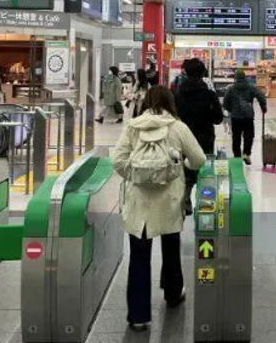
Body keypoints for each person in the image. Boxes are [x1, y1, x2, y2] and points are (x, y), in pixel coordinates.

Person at [112, 86, 206, 333]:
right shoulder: (177, 127)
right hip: (169, 201)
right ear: (170, 101)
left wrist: (136, 176)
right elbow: (198, 159)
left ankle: (138, 316)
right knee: (171, 248)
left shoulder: (133, 126)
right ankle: (173, 294)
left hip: (139, 203)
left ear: (147, 102)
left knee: (139, 257)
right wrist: (180, 165)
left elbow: (118, 161)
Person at [175, 58, 224, 214]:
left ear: (185, 73)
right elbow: (218, 118)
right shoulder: (209, 95)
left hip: (183, 137)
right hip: (205, 137)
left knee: (185, 169)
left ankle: (185, 197)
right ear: (203, 73)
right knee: (205, 170)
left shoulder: (177, 94)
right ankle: (205, 207)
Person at [223, 69, 267, 165]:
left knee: (236, 136)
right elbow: (260, 95)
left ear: (235, 78)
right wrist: (263, 106)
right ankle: (246, 153)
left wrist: (230, 109)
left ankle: (237, 155)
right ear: (244, 77)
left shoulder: (231, 88)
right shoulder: (250, 87)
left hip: (235, 117)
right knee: (249, 135)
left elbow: (225, 103)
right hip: (248, 116)